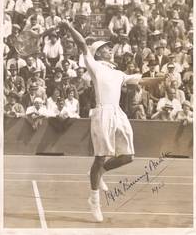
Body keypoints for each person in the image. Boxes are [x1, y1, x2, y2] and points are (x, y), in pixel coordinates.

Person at [61, 19, 164, 222]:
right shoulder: (94, 66)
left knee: (128, 156)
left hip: (118, 114)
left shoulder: (118, 73)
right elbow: (82, 44)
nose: (111, 50)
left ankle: (100, 174)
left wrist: (164, 77)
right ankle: (94, 200)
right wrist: (69, 26)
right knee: (100, 158)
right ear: (98, 53)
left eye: (110, 48)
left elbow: (142, 81)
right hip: (102, 114)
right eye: (107, 49)